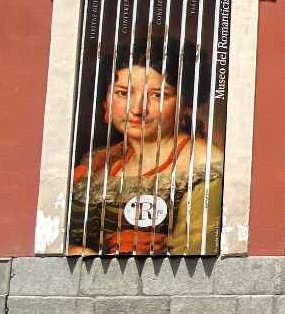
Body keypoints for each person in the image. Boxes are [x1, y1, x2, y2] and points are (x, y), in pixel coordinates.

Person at [67, 36, 224, 256]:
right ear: (105, 102)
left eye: (158, 95)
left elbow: (196, 255)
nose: (138, 109)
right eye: (123, 93)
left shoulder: (203, 163)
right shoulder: (99, 163)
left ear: (185, 105)